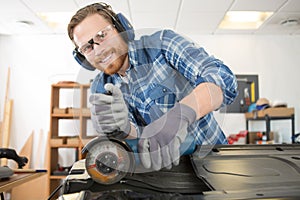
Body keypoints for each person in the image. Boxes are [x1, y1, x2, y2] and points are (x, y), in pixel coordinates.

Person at [67, 2, 238, 171]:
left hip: (215, 165)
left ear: (120, 28)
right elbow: (130, 146)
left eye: (102, 35)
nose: (98, 50)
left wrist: (180, 116)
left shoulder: (163, 44)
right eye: (87, 47)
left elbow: (222, 78)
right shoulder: (100, 87)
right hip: (158, 178)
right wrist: (124, 130)